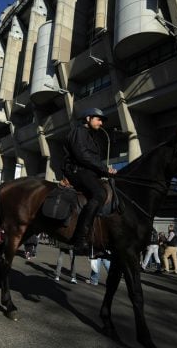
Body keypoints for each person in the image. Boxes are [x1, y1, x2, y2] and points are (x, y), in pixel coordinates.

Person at [62, 108, 117, 255]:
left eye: (102, 120)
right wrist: (104, 169)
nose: (101, 123)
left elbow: (93, 161)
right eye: (98, 119)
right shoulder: (79, 131)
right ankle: (80, 238)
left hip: (88, 172)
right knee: (99, 194)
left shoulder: (91, 136)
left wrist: (106, 172)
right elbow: (83, 156)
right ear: (88, 118)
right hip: (77, 170)